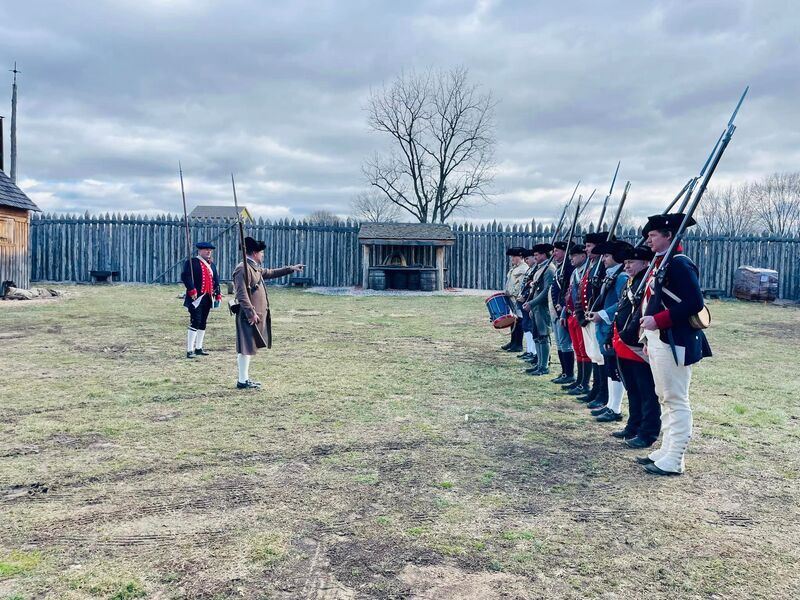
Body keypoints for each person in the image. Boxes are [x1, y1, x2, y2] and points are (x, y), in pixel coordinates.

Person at [637, 214, 711, 476]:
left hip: (674, 339)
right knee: (664, 396)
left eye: (653, 235)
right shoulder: (663, 262)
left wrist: (657, 321)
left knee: (676, 399)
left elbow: (695, 303)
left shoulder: (679, 264)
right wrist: (648, 337)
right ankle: (667, 450)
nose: (648, 240)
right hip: (659, 338)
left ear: (669, 235)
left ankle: (676, 458)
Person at [233, 236, 305, 389]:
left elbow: (270, 272)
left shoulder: (253, 266)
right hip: (249, 315)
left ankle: (244, 379)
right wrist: (251, 313)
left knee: (249, 347)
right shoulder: (242, 268)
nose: (263, 255)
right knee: (245, 347)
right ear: (254, 253)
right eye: (261, 253)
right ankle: (242, 380)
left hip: (255, 314)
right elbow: (241, 294)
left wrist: (291, 268)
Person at [613, 244, 661, 449]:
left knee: (646, 390)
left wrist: (627, 335)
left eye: (631, 262)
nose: (626, 266)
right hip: (624, 342)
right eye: (625, 262)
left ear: (645, 262)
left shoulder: (647, 281)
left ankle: (648, 432)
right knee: (632, 388)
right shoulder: (631, 281)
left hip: (636, 343)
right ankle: (633, 425)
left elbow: (641, 313)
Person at [586, 240, 632, 422]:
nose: (603, 259)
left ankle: (615, 407)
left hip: (611, 327)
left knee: (614, 369)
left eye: (606, 256)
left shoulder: (621, 277)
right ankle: (611, 405)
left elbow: (622, 303)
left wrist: (603, 314)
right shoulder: (612, 275)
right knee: (609, 368)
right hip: (605, 327)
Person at [576, 232, 609, 405]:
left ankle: (602, 393)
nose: (586, 249)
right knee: (594, 355)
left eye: (589, 246)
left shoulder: (602, 266)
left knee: (600, 356)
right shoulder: (593, 265)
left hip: (596, 316)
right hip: (588, 316)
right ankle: (596, 389)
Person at [181, 241, 222, 359]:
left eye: (210, 250)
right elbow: (185, 276)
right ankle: (189, 350)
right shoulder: (192, 262)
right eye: (206, 250)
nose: (208, 252)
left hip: (208, 297)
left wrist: (218, 293)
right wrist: (191, 289)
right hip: (196, 297)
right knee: (196, 321)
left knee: (203, 322)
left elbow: (216, 280)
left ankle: (198, 348)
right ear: (199, 251)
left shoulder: (212, 265)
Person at [562, 244, 592, 395]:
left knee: (584, 349)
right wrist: (564, 313)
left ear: (583, 256)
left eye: (574, 256)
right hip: (572, 314)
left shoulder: (588, 271)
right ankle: (579, 380)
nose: (571, 259)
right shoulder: (575, 272)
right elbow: (569, 293)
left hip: (581, 315)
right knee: (577, 348)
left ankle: (584, 383)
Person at [523, 243, 556, 376]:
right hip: (537, 307)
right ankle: (539, 364)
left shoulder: (549, 269)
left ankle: (544, 366)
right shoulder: (541, 268)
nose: (535, 257)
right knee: (537, 336)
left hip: (543, 307)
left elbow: (546, 291)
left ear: (544, 254)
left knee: (543, 336)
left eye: (537, 255)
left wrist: (532, 303)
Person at [550, 241, 575, 384]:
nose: (554, 253)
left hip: (562, 310)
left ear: (565, 252)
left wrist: (563, 305)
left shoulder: (568, 268)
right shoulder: (560, 267)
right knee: (560, 343)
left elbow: (568, 289)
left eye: (557, 251)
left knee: (565, 343)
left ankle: (569, 373)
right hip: (556, 310)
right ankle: (564, 372)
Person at [502, 247, 528, 352]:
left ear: (520, 256)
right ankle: (513, 341)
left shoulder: (523, 268)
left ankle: (518, 344)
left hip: (517, 298)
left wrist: (513, 293)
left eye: (514, 256)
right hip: (511, 297)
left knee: (519, 320)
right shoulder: (515, 268)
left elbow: (520, 285)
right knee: (513, 320)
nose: (512, 258)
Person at [516, 249, 538, 363]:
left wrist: (525, 297)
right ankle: (530, 350)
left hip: (530, 302)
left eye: (528, 258)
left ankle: (534, 352)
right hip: (524, 301)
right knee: (526, 326)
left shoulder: (537, 269)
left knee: (530, 327)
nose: (526, 261)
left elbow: (533, 287)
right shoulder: (531, 269)